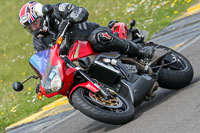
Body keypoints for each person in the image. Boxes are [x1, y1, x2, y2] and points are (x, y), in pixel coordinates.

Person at [18, 1, 154, 59]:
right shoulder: (38, 41)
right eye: (31, 27)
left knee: (100, 38)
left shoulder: (57, 10)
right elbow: (44, 61)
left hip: (90, 35)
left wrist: (70, 19)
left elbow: (80, 11)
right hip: (76, 57)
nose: (35, 28)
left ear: (42, 15)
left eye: (35, 23)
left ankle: (140, 51)